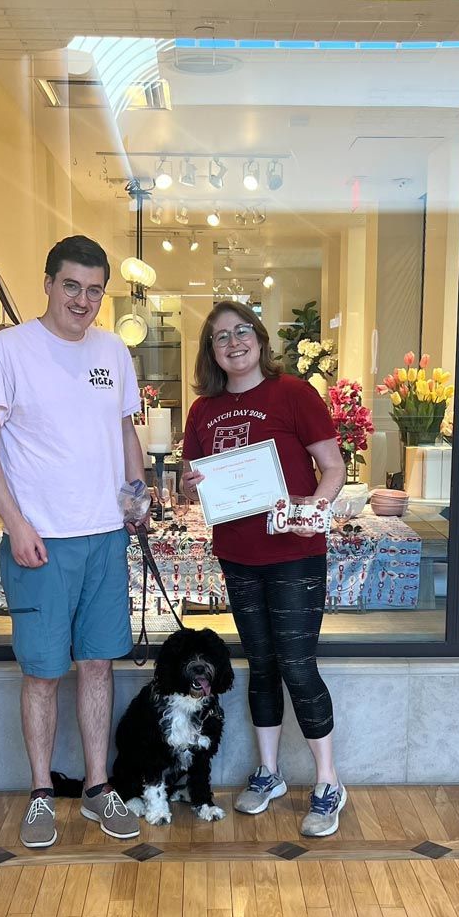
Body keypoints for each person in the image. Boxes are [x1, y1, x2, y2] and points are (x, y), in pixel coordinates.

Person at [0, 235, 144, 849]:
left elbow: (125, 432)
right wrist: (15, 523)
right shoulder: (7, 350)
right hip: (40, 542)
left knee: (97, 664)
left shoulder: (113, 350)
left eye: (94, 290)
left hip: (105, 537)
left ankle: (97, 786)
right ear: (48, 284)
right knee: (43, 672)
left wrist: (136, 497)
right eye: (71, 286)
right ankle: (41, 791)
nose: (82, 300)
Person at [181, 301, 347, 837]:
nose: (233, 342)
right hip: (238, 554)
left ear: (259, 337)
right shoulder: (202, 410)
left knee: (297, 665)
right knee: (262, 665)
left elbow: (334, 467)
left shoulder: (294, 394)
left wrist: (314, 509)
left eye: (241, 331)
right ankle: (269, 773)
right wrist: (190, 484)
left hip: (295, 553)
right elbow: (190, 478)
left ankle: (328, 781)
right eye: (220, 336)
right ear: (211, 351)